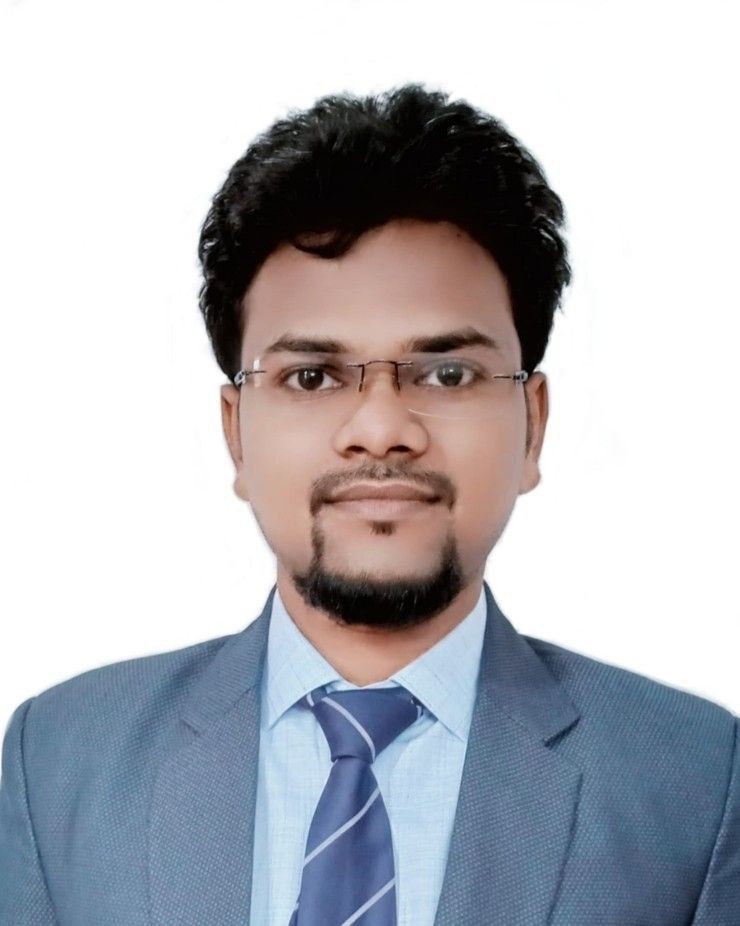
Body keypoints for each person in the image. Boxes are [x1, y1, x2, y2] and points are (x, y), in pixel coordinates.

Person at [0, 83, 737, 926]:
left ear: (532, 425)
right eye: (312, 377)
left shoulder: (696, 779)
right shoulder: (59, 760)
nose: (381, 429)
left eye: (447, 374)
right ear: (236, 433)